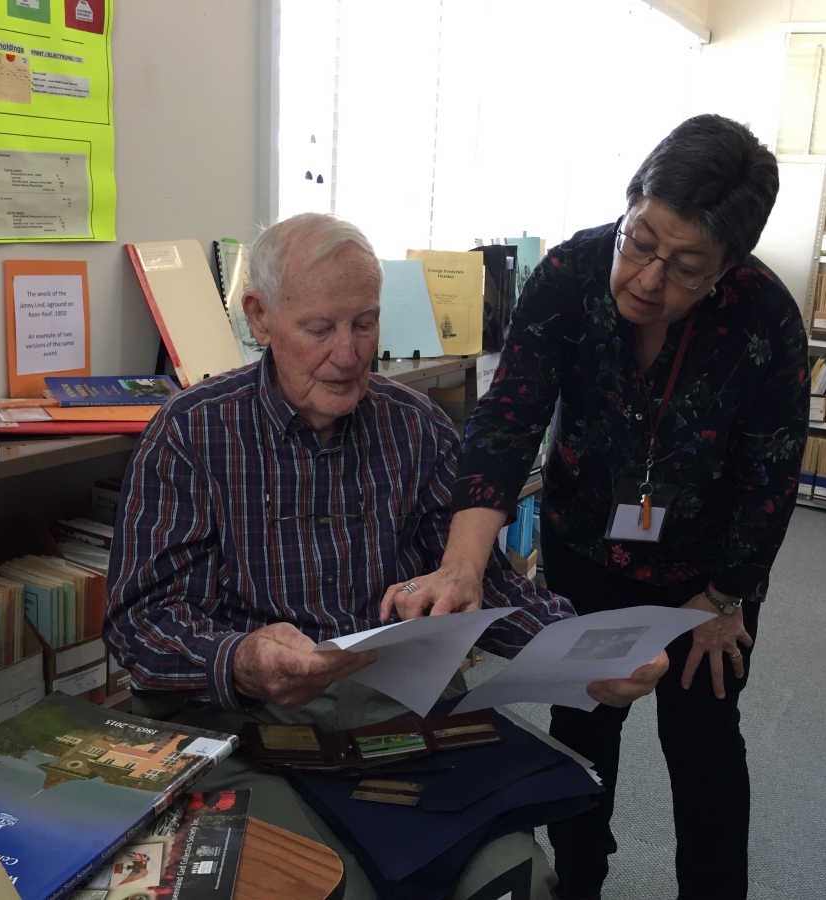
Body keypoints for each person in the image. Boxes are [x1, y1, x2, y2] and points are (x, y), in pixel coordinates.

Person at [103, 212, 669, 900]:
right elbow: (141, 623)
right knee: (329, 886)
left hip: (393, 713)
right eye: (320, 329)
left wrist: (581, 650)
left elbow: (482, 583)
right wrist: (242, 659)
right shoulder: (190, 434)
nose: (349, 353)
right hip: (238, 725)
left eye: (364, 324)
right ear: (261, 317)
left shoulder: (415, 426)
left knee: (517, 880)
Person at [383, 115, 809, 899]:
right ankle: (578, 885)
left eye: (686, 267)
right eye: (641, 240)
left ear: (727, 268)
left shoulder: (766, 319)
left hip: (705, 580)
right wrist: (464, 564)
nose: (648, 279)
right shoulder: (572, 275)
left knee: (705, 746)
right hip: (585, 552)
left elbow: (772, 472)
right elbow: (507, 419)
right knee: (581, 740)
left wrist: (725, 596)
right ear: (630, 201)